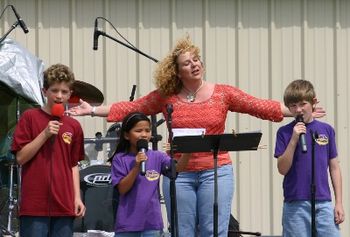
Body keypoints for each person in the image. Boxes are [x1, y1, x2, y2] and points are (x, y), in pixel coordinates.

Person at [68, 36, 325, 237]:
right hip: (179, 174)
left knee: (215, 231)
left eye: (197, 59)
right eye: (187, 63)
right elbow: (133, 108)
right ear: (177, 72)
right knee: (183, 232)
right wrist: (92, 110)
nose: (195, 64)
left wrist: (298, 112)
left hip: (216, 171)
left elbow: (259, 106)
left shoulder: (223, 93)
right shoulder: (167, 95)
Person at [11, 64, 86, 236]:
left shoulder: (74, 125)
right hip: (35, 206)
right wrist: (44, 134)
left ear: (70, 94)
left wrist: (77, 197)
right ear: (44, 91)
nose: (59, 96)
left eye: (64, 91)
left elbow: (73, 164)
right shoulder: (29, 117)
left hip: (64, 204)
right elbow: (21, 158)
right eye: (54, 90)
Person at [274, 79, 344, 237]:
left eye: (302, 104)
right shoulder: (284, 133)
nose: (298, 109)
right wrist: (293, 140)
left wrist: (338, 202)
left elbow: (334, 167)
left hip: (323, 202)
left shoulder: (326, 130)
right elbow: (282, 169)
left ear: (313, 103)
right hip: (296, 203)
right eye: (293, 106)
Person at [110, 112, 190, 237]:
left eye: (147, 130)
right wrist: (136, 167)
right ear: (126, 135)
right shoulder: (120, 159)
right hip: (127, 225)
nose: (144, 134)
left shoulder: (157, 156)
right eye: (138, 131)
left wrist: (187, 153)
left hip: (152, 224)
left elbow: (176, 169)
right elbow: (122, 189)